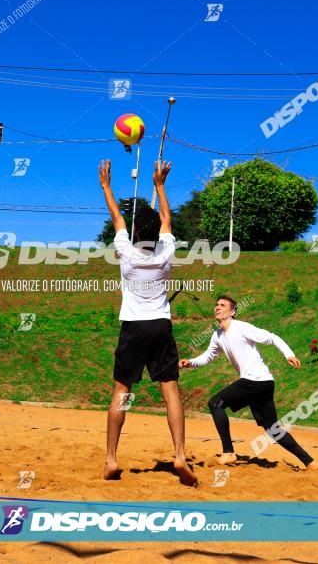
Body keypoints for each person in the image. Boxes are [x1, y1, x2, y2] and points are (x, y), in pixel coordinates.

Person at [98, 158, 197, 486]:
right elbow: (167, 218)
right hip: (160, 326)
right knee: (170, 390)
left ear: (135, 232)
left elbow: (116, 217)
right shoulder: (165, 254)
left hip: (133, 327)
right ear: (157, 234)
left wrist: (106, 187)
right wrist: (160, 186)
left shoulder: (126, 252)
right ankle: (180, 455)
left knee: (123, 391)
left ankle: (111, 460)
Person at [180, 295, 318, 471]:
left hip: (256, 381)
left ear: (231, 312)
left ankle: (229, 452)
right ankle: (310, 461)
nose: (217, 307)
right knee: (272, 429)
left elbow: (272, 337)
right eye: (216, 304)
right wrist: (190, 362)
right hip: (264, 383)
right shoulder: (217, 335)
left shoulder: (241, 328)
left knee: (215, 403)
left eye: (222, 305)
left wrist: (289, 354)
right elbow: (208, 357)